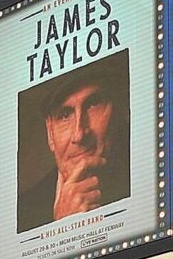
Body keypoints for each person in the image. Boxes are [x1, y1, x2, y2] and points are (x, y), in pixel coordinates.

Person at [14, 53, 132, 231]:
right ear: (50, 133)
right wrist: (63, 227)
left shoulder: (149, 179)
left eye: (93, 104)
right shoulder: (24, 212)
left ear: (121, 110)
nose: (79, 134)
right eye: (64, 115)